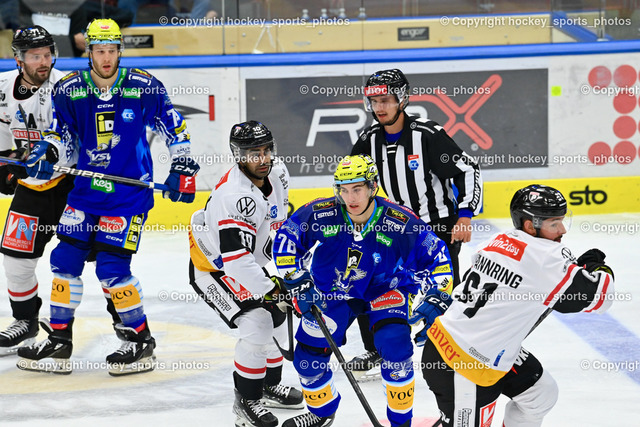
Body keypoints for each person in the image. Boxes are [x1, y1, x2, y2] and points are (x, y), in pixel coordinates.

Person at [17, 18, 199, 375]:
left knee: (112, 269)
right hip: (85, 194)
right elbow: (61, 134)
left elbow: (174, 127)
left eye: (112, 50)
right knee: (64, 261)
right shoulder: (69, 89)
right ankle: (59, 338)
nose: (106, 58)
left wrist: (181, 167)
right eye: (99, 51)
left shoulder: (143, 85)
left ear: (120, 51)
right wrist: (48, 152)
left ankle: (140, 341)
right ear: (89, 52)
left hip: (128, 195)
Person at [273, 154, 454, 427]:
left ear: (373, 187)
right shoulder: (321, 213)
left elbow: (437, 257)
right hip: (332, 290)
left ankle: (400, 422)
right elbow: (286, 239)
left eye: (357, 189)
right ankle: (322, 412)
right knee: (307, 357)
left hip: (386, 289)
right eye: (344, 190)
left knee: (395, 347)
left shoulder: (400, 221)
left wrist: (438, 295)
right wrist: (295, 279)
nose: (350, 198)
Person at [417, 184, 615, 427]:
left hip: (460, 343)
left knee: (540, 395)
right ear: (530, 225)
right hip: (462, 367)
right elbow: (600, 297)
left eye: (562, 221)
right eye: (554, 223)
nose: (562, 230)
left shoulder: (498, 240)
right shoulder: (546, 256)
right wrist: (597, 267)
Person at [347, 68, 483, 375]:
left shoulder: (427, 135)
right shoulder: (368, 141)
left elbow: (467, 170)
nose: (379, 107)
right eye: (374, 101)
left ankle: (449, 352)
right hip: (394, 230)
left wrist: (465, 215)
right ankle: (377, 349)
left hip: (437, 228)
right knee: (369, 283)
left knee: (441, 291)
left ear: (402, 100)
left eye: (385, 100)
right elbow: (353, 183)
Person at [188, 120, 303, 427]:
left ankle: (267, 385)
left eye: (266, 150)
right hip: (213, 268)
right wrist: (273, 290)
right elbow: (236, 262)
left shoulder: (278, 174)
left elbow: (279, 226)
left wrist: (291, 273)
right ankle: (246, 400)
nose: (262, 158)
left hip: (246, 260)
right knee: (258, 321)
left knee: (276, 316)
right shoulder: (235, 196)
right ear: (239, 156)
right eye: (253, 153)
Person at [0, 26, 72, 356]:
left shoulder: (67, 87)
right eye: (35, 56)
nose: (43, 62)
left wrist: (55, 156)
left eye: (47, 55)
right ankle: (26, 321)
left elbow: (75, 135)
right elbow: (4, 140)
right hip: (32, 187)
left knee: (96, 261)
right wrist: (6, 167)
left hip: (74, 186)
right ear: (18, 59)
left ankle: (129, 331)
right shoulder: (3, 89)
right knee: (16, 259)